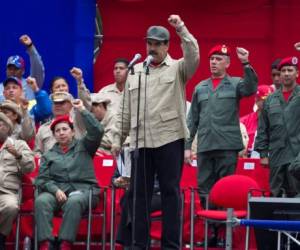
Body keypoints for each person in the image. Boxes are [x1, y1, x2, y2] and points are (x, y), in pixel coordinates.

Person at [111, 14, 199, 249]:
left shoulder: (178, 67)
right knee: (139, 195)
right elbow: (125, 109)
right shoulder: (136, 70)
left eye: (158, 43)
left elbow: (193, 54)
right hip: (140, 141)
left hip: (170, 138)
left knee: (170, 192)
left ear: (167, 46)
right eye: (150, 43)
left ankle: (170, 245)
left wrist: (180, 27)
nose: (152, 48)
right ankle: (140, 244)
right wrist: (117, 139)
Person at [185, 44, 257, 246]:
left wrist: (246, 63)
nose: (214, 62)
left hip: (226, 145)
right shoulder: (200, 87)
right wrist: (187, 146)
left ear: (227, 63)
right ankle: (211, 233)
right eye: (212, 59)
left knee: (225, 190)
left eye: (218, 59)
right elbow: (192, 120)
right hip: (206, 146)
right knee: (205, 190)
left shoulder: (235, 83)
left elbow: (251, 88)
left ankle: (225, 234)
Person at [34, 99, 104, 250]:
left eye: (65, 129)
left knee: (74, 201)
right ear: (54, 135)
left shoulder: (85, 145)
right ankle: (46, 244)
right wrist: (55, 190)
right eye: (57, 131)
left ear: (72, 131)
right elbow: (42, 179)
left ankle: (65, 244)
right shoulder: (48, 155)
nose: (61, 133)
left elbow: (97, 131)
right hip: (57, 191)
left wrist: (83, 111)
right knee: (41, 201)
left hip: (85, 190)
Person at [255, 56, 300, 197]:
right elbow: (263, 128)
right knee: (276, 195)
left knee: (297, 194)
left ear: (297, 73)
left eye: (290, 70)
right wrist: (263, 154)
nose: (286, 73)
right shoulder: (270, 99)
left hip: (297, 155)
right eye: (283, 71)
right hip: (277, 155)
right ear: (279, 75)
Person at [0, 112, 35, 249]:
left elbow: (30, 167)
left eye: (0, 124)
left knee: (11, 207)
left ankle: (1, 236)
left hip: (7, 191)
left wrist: (18, 155)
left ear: (7, 128)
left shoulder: (19, 144)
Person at [0, 34, 45, 102]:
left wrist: (30, 47)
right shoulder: (0, 88)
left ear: (23, 71)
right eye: (10, 69)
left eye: (16, 69)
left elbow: (38, 68)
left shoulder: (31, 84)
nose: (12, 71)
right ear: (6, 70)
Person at [240, 85, 273, 157]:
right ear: (256, 100)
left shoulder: (277, 120)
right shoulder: (243, 122)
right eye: (265, 99)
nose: (269, 102)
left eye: (272, 99)